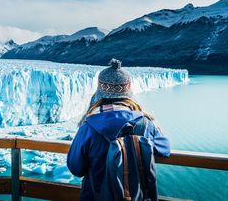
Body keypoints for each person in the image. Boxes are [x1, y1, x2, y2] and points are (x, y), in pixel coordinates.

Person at [67, 59, 171, 201]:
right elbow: (164, 150)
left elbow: (76, 168)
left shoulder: (88, 127)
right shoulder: (145, 124)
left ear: (100, 93)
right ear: (128, 94)